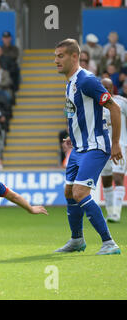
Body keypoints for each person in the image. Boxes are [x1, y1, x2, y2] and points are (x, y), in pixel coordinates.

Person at [54, 38, 122, 255]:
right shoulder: (69, 83)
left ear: (75, 56)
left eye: (60, 56)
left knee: (80, 192)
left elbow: (114, 108)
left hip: (95, 146)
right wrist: (71, 136)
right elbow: (74, 113)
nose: (56, 60)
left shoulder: (86, 80)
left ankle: (109, 242)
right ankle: (77, 240)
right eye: (55, 56)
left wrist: (116, 143)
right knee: (69, 192)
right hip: (78, 148)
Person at [100, 78, 127, 223]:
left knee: (118, 177)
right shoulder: (95, 105)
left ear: (112, 88)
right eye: (102, 86)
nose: (105, 89)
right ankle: (110, 213)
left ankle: (116, 213)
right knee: (106, 180)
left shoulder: (122, 102)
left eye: (107, 87)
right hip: (103, 147)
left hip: (120, 145)